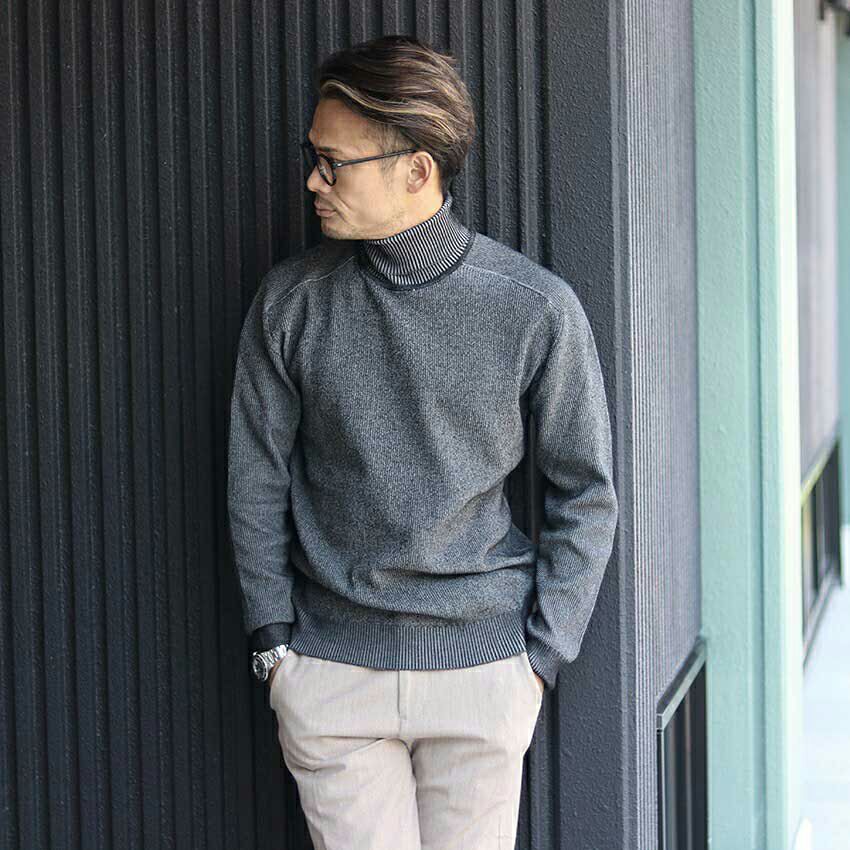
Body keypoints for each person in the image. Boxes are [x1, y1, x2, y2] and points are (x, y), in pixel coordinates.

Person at [227, 33, 618, 850]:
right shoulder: (291, 304)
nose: (313, 181)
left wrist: (541, 656)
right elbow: (254, 478)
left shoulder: (533, 308)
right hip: (331, 677)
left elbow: (586, 491)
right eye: (312, 157)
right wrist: (274, 648)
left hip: (484, 675)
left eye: (334, 163)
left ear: (416, 169)